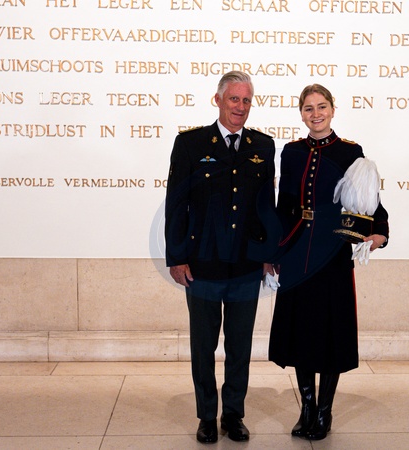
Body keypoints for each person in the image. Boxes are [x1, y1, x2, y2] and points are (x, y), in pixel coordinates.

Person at [268, 84, 389, 440]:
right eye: (309, 108)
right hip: (296, 252)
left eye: (322, 107)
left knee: (330, 333)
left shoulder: (350, 151)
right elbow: (284, 205)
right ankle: (306, 407)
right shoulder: (291, 152)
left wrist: (380, 232)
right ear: (301, 114)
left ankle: (324, 411)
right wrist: (274, 252)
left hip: (332, 253)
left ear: (333, 110)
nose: (316, 114)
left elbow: (368, 199)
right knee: (301, 332)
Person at [164, 71, 276, 444]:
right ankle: (206, 416)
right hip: (202, 265)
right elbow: (176, 204)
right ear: (218, 100)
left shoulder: (263, 145)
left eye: (246, 100)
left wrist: (268, 253)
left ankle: (233, 415)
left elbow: (266, 205)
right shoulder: (190, 143)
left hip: (245, 266)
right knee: (203, 346)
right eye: (234, 99)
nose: (240, 107)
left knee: (239, 346)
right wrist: (177, 256)